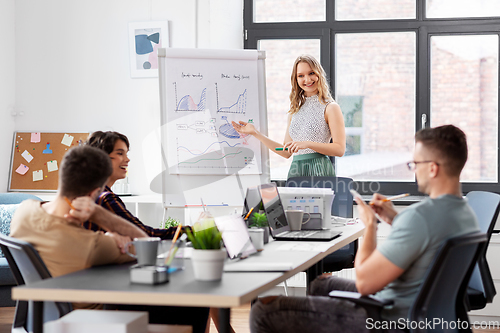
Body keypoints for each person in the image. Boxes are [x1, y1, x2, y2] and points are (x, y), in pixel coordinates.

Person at [249, 124, 480, 333]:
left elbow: (365, 283)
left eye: (415, 164)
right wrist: (395, 219)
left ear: (432, 169)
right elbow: (426, 238)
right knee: (321, 284)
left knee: (264, 311)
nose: (413, 169)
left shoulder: (420, 217)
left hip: (387, 319)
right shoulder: (465, 214)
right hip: (425, 312)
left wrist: (370, 226)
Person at [10, 146, 209, 333]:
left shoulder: (24, 211)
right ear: (94, 192)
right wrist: (99, 214)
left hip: (41, 319)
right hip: (93, 321)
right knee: (196, 301)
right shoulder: (91, 245)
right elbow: (145, 243)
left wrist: (106, 237)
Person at [232, 54, 346, 179]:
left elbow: (339, 149)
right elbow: (286, 152)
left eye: (311, 73)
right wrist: (255, 133)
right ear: (295, 79)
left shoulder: (331, 107)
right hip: (296, 171)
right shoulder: (295, 110)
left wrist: (308, 144)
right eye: (301, 76)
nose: (307, 80)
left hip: (319, 170)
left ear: (319, 74)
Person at [84, 131, 179, 239]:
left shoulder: (89, 193)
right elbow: (145, 235)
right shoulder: (105, 199)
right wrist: (193, 230)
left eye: (126, 153)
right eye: (120, 153)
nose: (127, 159)